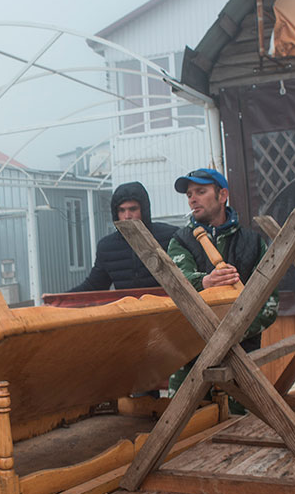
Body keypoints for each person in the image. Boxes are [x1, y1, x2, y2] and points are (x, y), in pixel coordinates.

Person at [167, 167, 278, 396]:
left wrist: (230, 334)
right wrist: (205, 282)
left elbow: (269, 303)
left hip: (241, 357)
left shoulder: (253, 243)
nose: (193, 199)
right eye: (189, 195)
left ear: (223, 195)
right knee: (183, 426)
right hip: (190, 360)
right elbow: (177, 285)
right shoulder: (180, 241)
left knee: (242, 425)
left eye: (200, 191)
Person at [68, 181, 177, 292]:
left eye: (133, 209)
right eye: (121, 210)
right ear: (116, 213)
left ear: (144, 210)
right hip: (127, 308)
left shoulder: (170, 237)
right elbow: (94, 285)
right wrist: (56, 302)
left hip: (169, 308)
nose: (127, 216)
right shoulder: (107, 247)